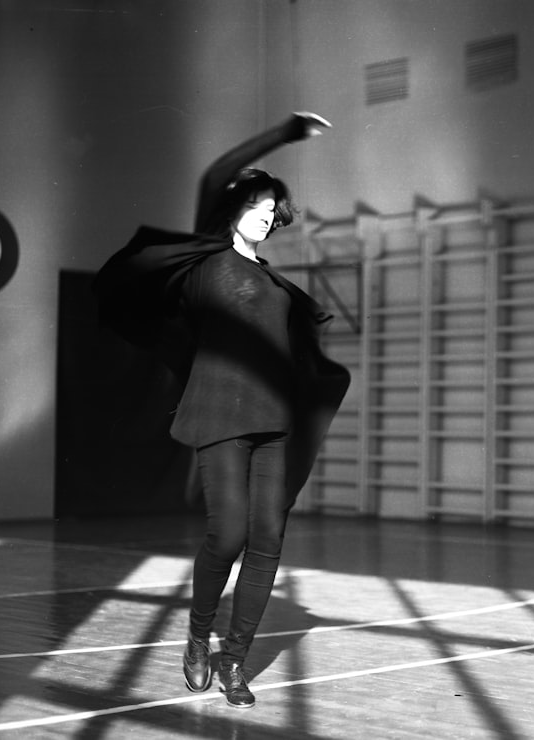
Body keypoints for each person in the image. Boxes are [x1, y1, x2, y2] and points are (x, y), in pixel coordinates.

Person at [93, 112, 350, 708]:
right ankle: (197, 634)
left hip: (276, 423)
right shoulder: (207, 261)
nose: (266, 212)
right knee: (228, 533)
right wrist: (286, 132)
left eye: (271, 207)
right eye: (257, 202)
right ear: (233, 208)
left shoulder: (276, 282)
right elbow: (216, 173)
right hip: (220, 416)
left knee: (268, 540)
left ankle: (234, 660)